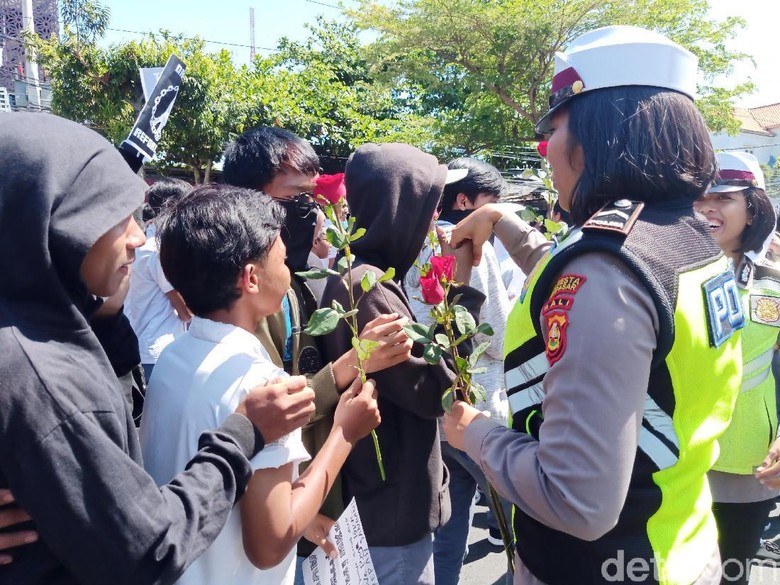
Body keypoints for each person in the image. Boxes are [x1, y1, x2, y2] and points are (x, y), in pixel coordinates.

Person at [445, 26, 743, 585]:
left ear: (596, 135)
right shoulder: (686, 237)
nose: (545, 148)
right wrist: (504, 224)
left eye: (554, 126)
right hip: (679, 536)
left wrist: (473, 432)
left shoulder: (607, 268)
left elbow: (577, 500)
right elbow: (590, 305)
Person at [0, 112, 316, 584]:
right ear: (55, 217)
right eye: (117, 215)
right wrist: (244, 435)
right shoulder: (43, 375)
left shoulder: (59, 336)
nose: (138, 238)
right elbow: (148, 550)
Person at [140, 185, 381, 585]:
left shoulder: (174, 356)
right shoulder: (259, 382)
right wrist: (345, 432)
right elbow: (269, 546)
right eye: (283, 260)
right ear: (251, 278)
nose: (288, 273)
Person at [221, 127, 412, 572]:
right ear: (249, 200)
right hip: (287, 509)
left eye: (318, 199)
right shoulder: (248, 297)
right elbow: (265, 412)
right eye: (299, 198)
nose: (315, 213)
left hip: (316, 498)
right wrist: (352, 363)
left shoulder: (300, 277)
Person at [320, 143, 484, 585]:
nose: (434, 218)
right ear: (400, 207)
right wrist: (462, 286)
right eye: (428, 205)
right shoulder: (369, 286)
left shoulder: (358, 274)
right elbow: (439, 390)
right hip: (390, 512)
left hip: (381, 502)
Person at [405, 157, 513, 585]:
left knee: (448, 524)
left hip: (432, 407)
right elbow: (499, 334)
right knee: (518, 527)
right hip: (478, 404)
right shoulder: (465, 245)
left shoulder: (399, 247)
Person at [694, 152, 780, 585]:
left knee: (732, 572)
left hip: (746, 461)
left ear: (753, 207)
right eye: (699, 197)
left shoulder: (775, 280)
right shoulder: (661, 271)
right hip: (669, 455)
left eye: (722, 197)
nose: (707, 207)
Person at [125, 178, 193, 383]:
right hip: (160, 347)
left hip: (149, 343)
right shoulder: (158, 250)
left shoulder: (146, 244)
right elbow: (186, 311)